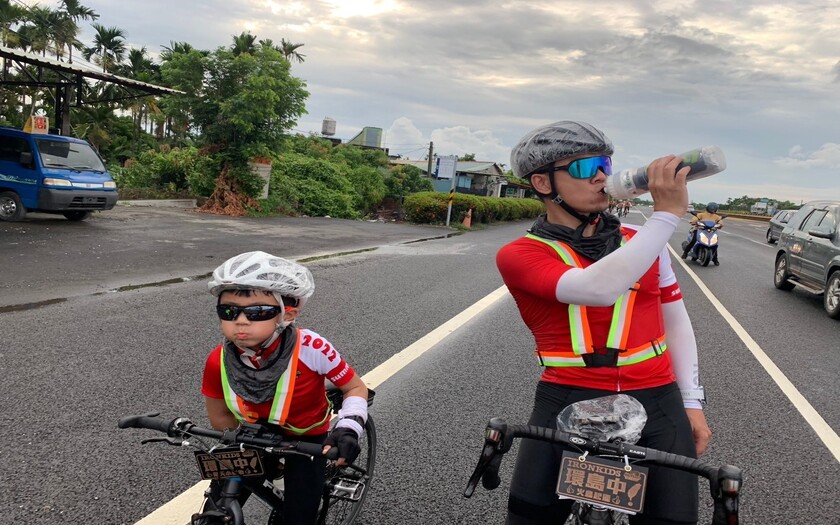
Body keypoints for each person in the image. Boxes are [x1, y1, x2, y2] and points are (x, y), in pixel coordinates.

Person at [496, 121, 711, 525]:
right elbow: (597, 289)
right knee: (527, 518)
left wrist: (691, 402)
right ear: (543, 183)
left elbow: (676, 323)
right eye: (583, 167)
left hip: (657, 397)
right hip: (566, 396)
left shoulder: (639, 240)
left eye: (605, 164)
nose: (601, 175)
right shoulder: (520, 254)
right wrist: (665, 217)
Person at [201, 251, 369, 524]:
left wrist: (349, 427)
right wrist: (237, 446)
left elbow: (355, 388)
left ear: (286, 312)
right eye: (228, 311)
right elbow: (220, 416)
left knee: (299, 516)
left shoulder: (312, 347)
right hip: (253, 435)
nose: (241, 321)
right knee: (216, 507)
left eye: (257, 312)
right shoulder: (216, 359)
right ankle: (273, 472)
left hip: (306, 439)